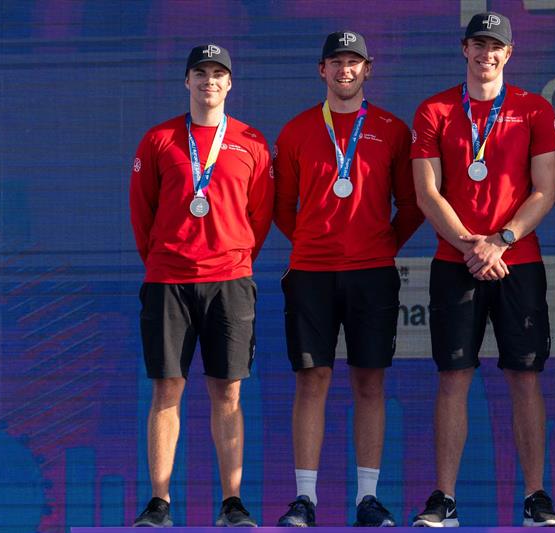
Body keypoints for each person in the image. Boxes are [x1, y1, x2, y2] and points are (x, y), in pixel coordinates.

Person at [410, 11, 555, 527]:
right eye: (478, 44)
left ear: (509, 53)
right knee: (453, 377)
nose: (486, 54)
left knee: (525, 377)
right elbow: (427, 193)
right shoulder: (434, 110)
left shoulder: (534, 109)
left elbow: (545, 189)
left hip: (518, 262)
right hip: (456, 262)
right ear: (465, 49)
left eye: (495, 46)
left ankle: (536, 496)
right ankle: (445, 498)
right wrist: (471, 246)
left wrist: (501, 241)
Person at [272, 31, 423, 527]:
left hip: (373, 273)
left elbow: (411, 204)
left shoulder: (392, 130)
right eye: (336, 62)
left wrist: (378, 244)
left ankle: (367, 499)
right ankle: (305, 499)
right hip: (310, 273)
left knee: (369, 382)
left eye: (353, 62)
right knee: (311, 381)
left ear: (368, 69)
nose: (345, 70)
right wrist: (315, 241)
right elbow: (282, 206)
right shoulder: (296, 130)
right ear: (322, 70)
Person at [129, 43, 273, 527]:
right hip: (168, 279)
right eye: (201, 73)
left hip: (230, 281)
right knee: (166, 389)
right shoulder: (159, 139)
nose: (209, 81)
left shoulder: (251, 141)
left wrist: (233, 256)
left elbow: (260, 214)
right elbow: (142, 211)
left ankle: (232, 502)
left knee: (227, 392)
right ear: (186, 81)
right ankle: (159, 502)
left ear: (229, 83)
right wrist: (164, 258)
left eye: (217, 73)